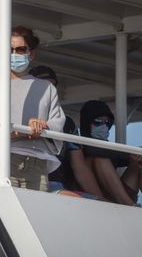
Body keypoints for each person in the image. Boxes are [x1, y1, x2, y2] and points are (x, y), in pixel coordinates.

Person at [0, 27, 65, 192]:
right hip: (0, 161)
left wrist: (43, 126)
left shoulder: (47, 88)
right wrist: (17, 132)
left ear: (31, 53)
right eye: (9, 50)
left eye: (20, 49)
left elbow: (58, 123)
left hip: (37, 162)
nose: (14, 54)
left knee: (36, 215)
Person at [29, 66, 105, 199]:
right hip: (30, 185)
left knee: (94, 203)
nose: (49, 91)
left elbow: (80, 167)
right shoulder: (22, 117)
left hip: (57, 186)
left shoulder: (67, 123)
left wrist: (101, 200)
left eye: (52, 87)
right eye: (43, 86)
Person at [80, 100, 142, 208]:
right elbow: (93, 150)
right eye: (98, 121)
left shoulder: (109, 149)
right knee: (101, 159)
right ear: (87, 123)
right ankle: (130, 206)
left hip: (115, 196)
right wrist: (130, 154)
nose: (104, 126)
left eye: (107, 122)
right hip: (90, 197)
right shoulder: (78, 145)